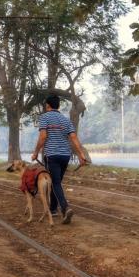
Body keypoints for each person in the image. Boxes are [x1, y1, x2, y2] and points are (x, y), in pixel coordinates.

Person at [31, 95, 87, 225]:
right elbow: (73, 137)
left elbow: (43, 137)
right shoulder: (65, 120)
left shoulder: (45, 117)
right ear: (58, 106)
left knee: (55, 183)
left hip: (52, 155)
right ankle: (53, 209)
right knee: (57, 183)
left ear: (47, 105)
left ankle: (65, 208)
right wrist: (81, 155)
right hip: (65, 156)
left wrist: (35, 153)